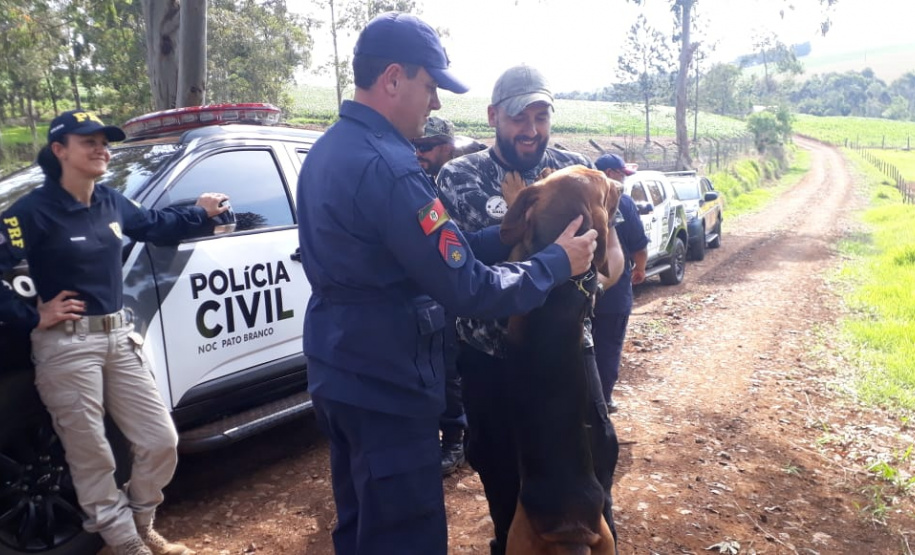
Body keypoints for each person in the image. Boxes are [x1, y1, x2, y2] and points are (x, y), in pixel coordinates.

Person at [295, 13, 599, 555]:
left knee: (361, 523)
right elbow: (469, 289)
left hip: (341, 369)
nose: (435, 105)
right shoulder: (390, 169)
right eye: (430, 87)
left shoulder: (328, 150)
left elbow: (435, 251)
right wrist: (554, 262)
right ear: (393, 79)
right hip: (388, 381)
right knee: (405, 535)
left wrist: (512, 233)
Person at [0, 110, 230, 555]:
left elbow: (155, 226)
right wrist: (33, 316)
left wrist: (199, 214)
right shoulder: (30, 212)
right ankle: (128, 545)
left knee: (161, 440)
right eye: (88, 141)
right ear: (59, 150)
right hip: (67, 347)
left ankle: (141, 525)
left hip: (119, 339)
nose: (102, 148)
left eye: (105, 141)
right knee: (93, 457)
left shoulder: (111, 201)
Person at [436, 64, 625, 555]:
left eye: (541, 116)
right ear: (494, 116)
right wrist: (552, 261)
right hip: (490, 358)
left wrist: (596, 279)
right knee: (504, 479)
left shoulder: (574, 168)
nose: (532, 130)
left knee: (592, 475)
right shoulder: (460, 177)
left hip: (568, 355)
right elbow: (462, 263)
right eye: (521, 117)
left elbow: (613, 256)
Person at [414, 116, 468, 475]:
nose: (418, 153)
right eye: (415, 146)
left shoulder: (463, 184)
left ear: (446, 148)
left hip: (461, 289)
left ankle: (455, 440)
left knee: (451, 371)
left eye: (425, 147)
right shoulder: (419, 184)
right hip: (429, 295)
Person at [593, 153, 649, 413]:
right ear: (610, 172)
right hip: (614, 292)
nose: (623, 180)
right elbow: (638, 244)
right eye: (621, 174)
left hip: (580, 289)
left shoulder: (577, 199)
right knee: (609, 346)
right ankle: (603, 400)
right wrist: (640, 267)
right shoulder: (623, 202)